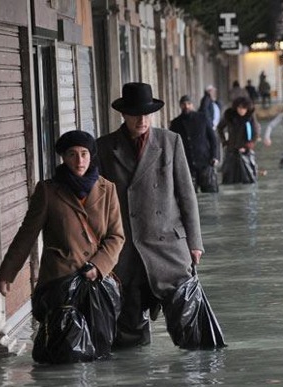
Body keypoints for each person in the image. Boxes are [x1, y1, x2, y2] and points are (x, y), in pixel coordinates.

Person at [0, 130, 125, 357]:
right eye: (72, 154)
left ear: (91, 156)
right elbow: (27, 233)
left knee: (99, 350)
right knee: (64, 353)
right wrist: (9, 271)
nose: (79, 161)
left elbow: (116, 236)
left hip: (97, 284)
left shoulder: (108, 189)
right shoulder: (48, 191)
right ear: (63, 158)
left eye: (84, 154)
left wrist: (99, 266)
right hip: (60, 284)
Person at [95, 82, 205, 348]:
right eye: (135, 114)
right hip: (126, 248)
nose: (141, 119)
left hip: (169, 243)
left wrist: (195, 242)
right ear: (123, 114)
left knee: (188, 320)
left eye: (146, 114)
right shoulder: (104, 147)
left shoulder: (170, 141)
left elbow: (186, 195)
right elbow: (96, 202)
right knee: (129, 325)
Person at [169, 95, 219, 192]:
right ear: (180, 106)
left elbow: (213, 139)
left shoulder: (202, 118)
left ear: (192, 105)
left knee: (210, 192)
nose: (186, 106)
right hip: (186, 164)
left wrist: (215, 156)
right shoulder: (176, 123)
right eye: (184, 104)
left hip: (205, 161)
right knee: (189, 195)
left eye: (189, 104)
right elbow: (172, 144)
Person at [217, 96, 260, 184]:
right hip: (231, 150)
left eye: (244, 108)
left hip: (245, 152)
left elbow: (255, 133)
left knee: (248, 178)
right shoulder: (230, 116)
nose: (242, 110)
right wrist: (224, 141)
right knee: (229, 178)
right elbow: (220, 128)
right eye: (240, 108)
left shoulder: (250, 118)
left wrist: (247, 146)